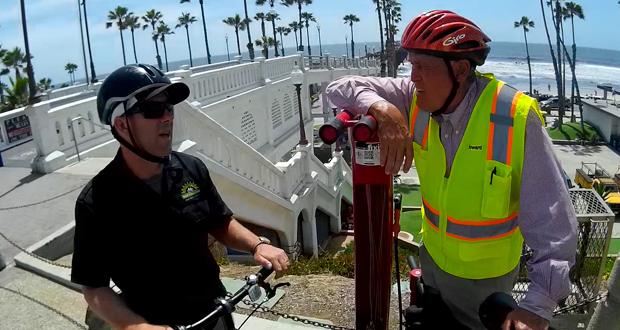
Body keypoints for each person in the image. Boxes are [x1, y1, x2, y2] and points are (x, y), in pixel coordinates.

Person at [326, 10, 577, 330]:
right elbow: (338, 88)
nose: (413, 77)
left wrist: (538, 305)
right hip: (433, 268)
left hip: (487, 285)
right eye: (411, 65)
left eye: (423, 67)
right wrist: (382, 108)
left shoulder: (514, 116)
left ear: (459, 69)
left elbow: (553, 220)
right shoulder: (414, 98)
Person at [71, 64, 289, 330]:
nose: (167, 117)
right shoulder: (96, 202)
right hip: (152, 320)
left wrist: (257, 245)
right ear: (121, 124)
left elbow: (219, 221)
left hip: (212, 309)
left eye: (169, 108)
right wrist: (135, 327)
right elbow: (94, 287)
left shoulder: (191, 168)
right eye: (152, 109)